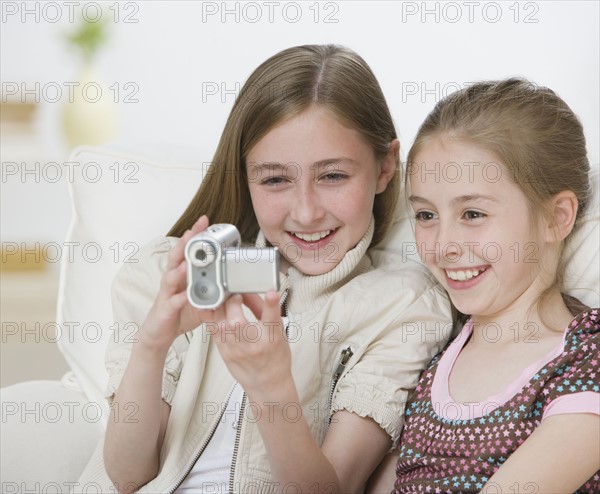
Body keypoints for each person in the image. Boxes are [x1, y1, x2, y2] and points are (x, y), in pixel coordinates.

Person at [77, 44, 451, 494]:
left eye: (332, 176)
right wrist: (153, 345)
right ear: (246, 178)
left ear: (386, 166)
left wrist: (271, 388)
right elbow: (126, 475)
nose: (307, 212)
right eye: (275, 180)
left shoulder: (403, 307)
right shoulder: (166, 271)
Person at [369, 79, 600, 493]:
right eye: (425, 215)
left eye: (473, 214)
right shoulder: (433, 354)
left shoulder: (585, 362)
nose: (443, 246)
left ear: (557, 217)